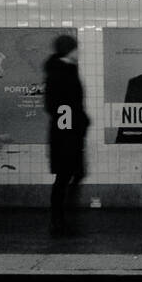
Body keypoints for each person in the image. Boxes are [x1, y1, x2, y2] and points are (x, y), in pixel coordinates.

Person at [44, 34, 90, 237]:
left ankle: (64, 215)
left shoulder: (66, 70)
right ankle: (59, 219)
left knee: (74, 173)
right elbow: (60, 106)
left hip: (70, 133)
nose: (79, 52)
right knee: (64, 177)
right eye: (76, 49)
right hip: (66, 135)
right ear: (68, 51)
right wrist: (72, 128)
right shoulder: (59, 73)